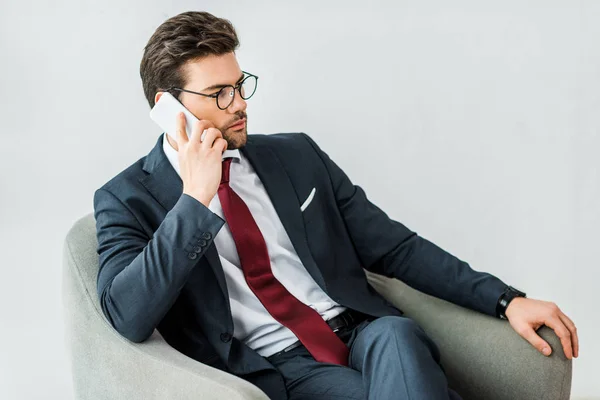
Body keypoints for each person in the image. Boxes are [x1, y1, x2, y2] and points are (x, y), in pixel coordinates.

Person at [93, 11, 579, 400]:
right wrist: (195, 199)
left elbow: (396, 248)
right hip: (282, 366)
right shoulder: (127, 198)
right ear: (167, 106)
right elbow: (128, 315)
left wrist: (505, 299)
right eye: (219, 93)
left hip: (364, 335)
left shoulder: (295, 156)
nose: (240, 103)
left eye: (241, 85)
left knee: (397, 334)